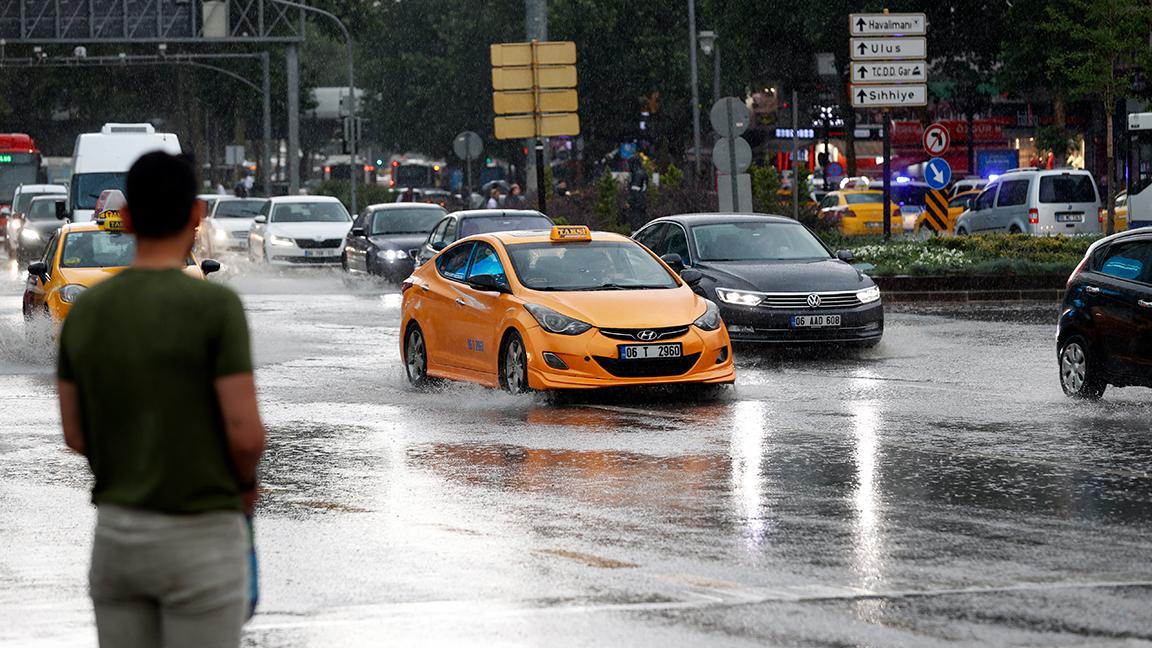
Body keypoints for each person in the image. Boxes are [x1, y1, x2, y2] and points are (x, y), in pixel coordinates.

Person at [57, 152, 266, 648]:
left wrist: (131, 469)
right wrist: (243, 490)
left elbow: (74, 432)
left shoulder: (86, 313)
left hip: (118, 538)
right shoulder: (215, 307)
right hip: (203, 534)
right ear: (196, 215)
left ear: (125, 220)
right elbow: (245, 434)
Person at [626, 157, 649, 231]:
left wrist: (629, 202)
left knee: (636, 225)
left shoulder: (637, 175)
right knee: (642, 223)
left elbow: (635, 191)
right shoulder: (643, 173)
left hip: (637, 204)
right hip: (642, 202)